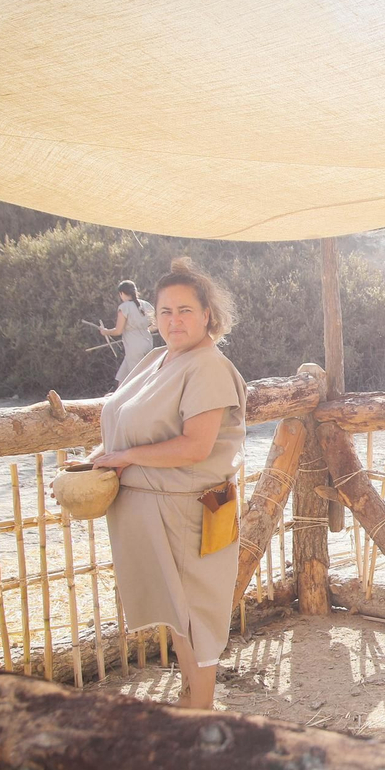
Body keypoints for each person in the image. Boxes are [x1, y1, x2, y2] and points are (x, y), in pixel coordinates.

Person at [91, 258, 247, 709]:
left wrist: (124, 458)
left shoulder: (209, 367)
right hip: (154, 507)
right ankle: (190, 701)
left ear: (207, 316)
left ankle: (199, 711)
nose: (174, 320)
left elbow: (194, 447)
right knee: (178, 614)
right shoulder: (158, 358)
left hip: (188, 510)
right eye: (165, 311)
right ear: (153, 316)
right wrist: (99, 458)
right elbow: (126, 424)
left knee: (195, 612)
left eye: (184, 310)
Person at [99, 280, 156, 386]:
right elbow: (157, 324)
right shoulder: (146, 305)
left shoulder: (124, 307)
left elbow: (118, 330)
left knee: (137, 379)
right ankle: (118, 399)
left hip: (133, 347)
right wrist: (144, 330)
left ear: (121, 293)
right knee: (123, 376)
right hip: (147, 343)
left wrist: (105, 332)